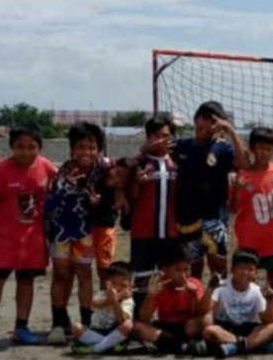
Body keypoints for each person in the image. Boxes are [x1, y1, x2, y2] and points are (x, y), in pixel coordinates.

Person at [45, 121, 120, 338]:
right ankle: (59, 322)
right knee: (60, 274)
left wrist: (109, 199)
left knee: (85, 274)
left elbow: (127, 167)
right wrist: (63, 190)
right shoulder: (62, 174)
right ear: (71, 149)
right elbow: (48, 206)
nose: (86, 152)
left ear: (98, 149)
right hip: (60, 231)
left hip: (84, 231)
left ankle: (86, 321)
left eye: (91, 147)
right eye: (80, 147)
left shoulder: (104, 168)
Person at [0, 126, 53, 348]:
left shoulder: (46, 167)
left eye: (31, 147)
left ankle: (21, 328)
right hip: (3, 239)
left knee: (26, 280)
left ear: (39, 148)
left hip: (32, 239)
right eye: (20, 147)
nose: (26, 152)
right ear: (12, 147)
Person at [173, 102, 239, 289]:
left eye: (214, 122)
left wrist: (230, 131)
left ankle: (219, 309)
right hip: (187, 219)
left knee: (218, 267)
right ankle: (195, 305)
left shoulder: (223, 148)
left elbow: (245, 163)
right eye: (203, 120)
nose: (207, 126)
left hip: (215, 219)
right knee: (193, 268)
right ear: (195, 119)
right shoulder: (181, 146)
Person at [123, 114, 183, 305]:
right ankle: (140, 318)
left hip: (171, 232)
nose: (161, 139)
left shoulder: (177, 163)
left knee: (169, 276)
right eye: (155, 135)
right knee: (142, 277)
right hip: (144, 232)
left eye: (165, 135)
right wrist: (136, 183)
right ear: (148, 138)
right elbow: (128, 197)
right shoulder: (138, 164)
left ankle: (167, 317)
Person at [229, 128, 273, 301]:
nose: (265, 153)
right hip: (248, 239)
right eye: (261, 148)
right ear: (252, 149)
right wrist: (237, 189)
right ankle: (242, 310)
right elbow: (232, 209)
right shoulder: (242, 175)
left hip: (272, 239)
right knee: (245, 278)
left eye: (269, 149)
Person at [204, 250, 273, 357]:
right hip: (225, 328)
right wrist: (210, 288)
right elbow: (206, 308)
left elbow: (267, 320)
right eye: (240, 268)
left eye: (250, 269)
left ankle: (235, 347)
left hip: (246, 329)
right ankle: (250, 345)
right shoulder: (221, 286)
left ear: (255, 274)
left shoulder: (256, 290)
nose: (245, 272)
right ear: (232, 270)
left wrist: (269, 301)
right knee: (209, 330)